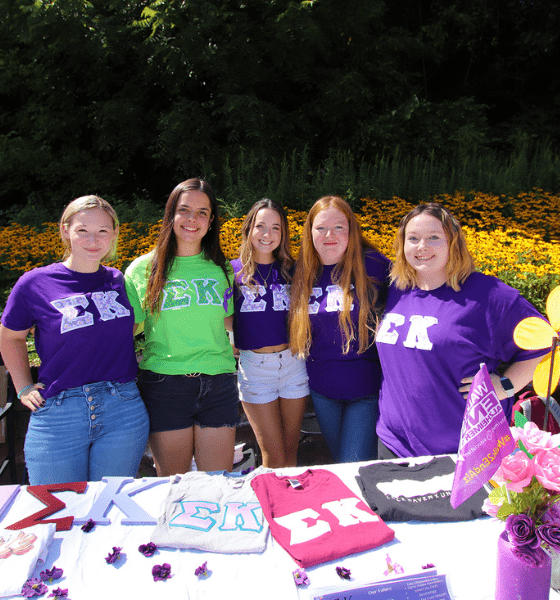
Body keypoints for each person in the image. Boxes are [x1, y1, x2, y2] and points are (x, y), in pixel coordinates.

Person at [375, 202, 548, 459]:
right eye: (413, 238)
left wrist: (506, 385)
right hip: (394, 443)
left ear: (453, 242)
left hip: (467, 451)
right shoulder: (398, 288)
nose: (422, 246)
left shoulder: (488, 294)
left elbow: (546, 342)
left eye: (434, 237)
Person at [0, 195, 149, 485]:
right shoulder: (35, 283)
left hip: (122, 409)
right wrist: (23, 387)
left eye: (103, 230)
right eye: (82, 230)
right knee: (58, 509)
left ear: (115, 234)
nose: (93, 239)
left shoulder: (119, 280)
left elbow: (129, 330)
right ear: (65, 230)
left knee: (111, 507)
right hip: (59, 413)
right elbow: (10, 337)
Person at [125, 178, 238, 477]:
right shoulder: (142, 269)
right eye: (184, 210)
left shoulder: (222, 268)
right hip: (165, 385)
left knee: (217, 485)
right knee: (172, 486)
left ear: (212, 220)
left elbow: (231, 322)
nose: (192, 219)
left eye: (202, 212)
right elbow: (126, 330)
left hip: (219, 384)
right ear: (170, 215)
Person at [289, 195, 391, 463]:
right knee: (341, 464)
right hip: (323, 393)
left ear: (351, 231)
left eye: (338, 228)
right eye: (320, 228)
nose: (329, 235)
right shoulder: (302, 272)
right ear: (310, 232)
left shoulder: (374, 265)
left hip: (366, 392)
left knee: (352, 466)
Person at [231, 199, 310, 467]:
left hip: (293, 364)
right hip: (256, 369)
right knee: (273, 457)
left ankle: (292, 507)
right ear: (248, 230)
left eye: (276, 228)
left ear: (283, 234)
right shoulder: (231, 270)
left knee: (290, 453)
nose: (267, 234)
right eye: (261, 226)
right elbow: (224, 318)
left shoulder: (294, 270)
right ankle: (270, 507)